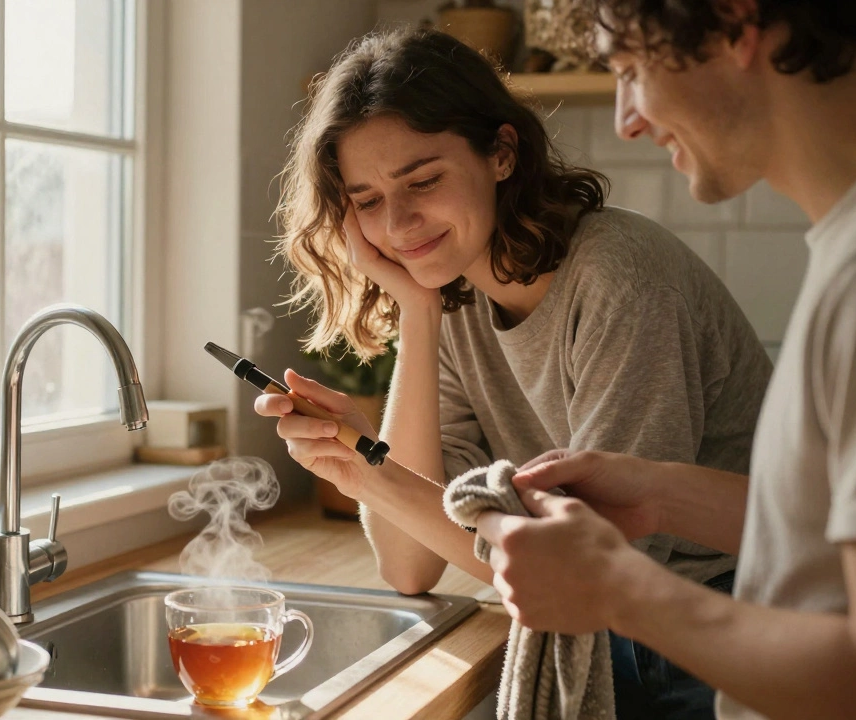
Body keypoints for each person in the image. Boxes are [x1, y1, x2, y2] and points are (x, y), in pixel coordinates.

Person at [474, 1, 856, 719]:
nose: (628, 117)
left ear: (733, 22)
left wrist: (617, 589)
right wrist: (661, 495)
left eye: (632, 70)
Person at [258, 26, 772, 718]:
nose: (400, 222)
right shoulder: (454, 299)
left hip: (726, 632)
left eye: (424, 180)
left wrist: (364, 470)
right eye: (369, 200)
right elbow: (409, 566)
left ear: (502, 153)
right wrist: (416, 310)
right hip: (625, 631)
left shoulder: (620, 281)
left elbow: (588, 569)